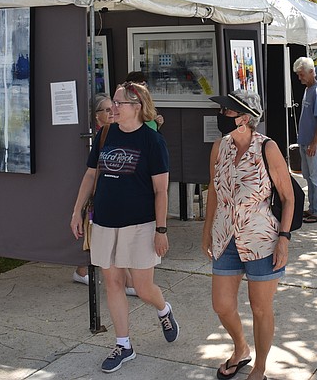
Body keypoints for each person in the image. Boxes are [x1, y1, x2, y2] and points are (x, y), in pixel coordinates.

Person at [70, 82, 179, 373]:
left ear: (137, 107)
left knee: (143, 288)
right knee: (114, 283)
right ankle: (123, 345)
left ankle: (163, 309)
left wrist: (161, 230)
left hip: (141, 225)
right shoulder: (106, 133)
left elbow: (161, 191)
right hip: (105, 222)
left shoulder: (152, 142)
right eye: (112, 103)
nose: (112, 108)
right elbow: (91, 175)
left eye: (118, 103)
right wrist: (77, 211)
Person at [202, 90, 294, 380]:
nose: (221, 116)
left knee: (260, 308)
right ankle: (241, 347)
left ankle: (260, 367)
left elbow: (288, 198)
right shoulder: (219, 147)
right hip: (225, 238)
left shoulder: (267, 149)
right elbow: (214, 193)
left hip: (262, 240)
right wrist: (206, 234)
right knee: (222, 305)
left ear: (244, 118)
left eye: (227, 112)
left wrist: (284, 238)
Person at [72, 93, 115, 287]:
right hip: (94, 191)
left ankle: (82, 270)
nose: (111, 112)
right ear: (96, 114)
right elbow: (91, 171)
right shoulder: (95, 136)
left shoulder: (113, 130)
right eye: (106, 109)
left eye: (112, 107)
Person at [293, 57, 317, 224]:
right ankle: (313, 207)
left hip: (312, 143)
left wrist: (315, 142)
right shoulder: (309, 89)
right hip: (305, 140)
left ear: (310, 72)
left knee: (315, 176)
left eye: (301, 74)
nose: (299, 78)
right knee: (308, 176)